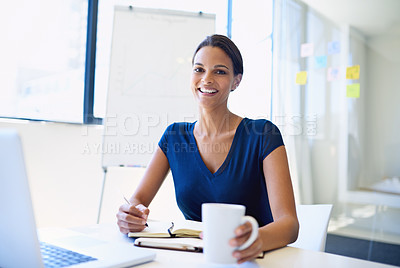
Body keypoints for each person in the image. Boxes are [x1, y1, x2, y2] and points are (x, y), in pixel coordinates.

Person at [116, 34, 299, 264]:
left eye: (220, 71)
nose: (207, 79)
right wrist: (128, 216)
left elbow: (289, 225)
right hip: (195, 259)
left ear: (236, 81)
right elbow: (137, 202)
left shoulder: (263, 134)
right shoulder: (174, 137)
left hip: (252, 260)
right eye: (199, 69)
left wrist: (254, 239)